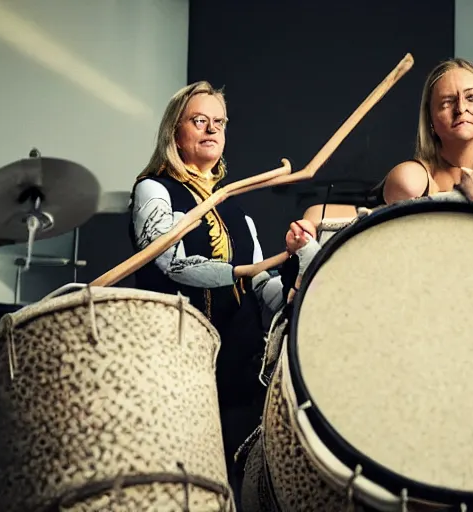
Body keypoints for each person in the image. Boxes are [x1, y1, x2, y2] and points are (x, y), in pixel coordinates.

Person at [127, 80, 320, 501]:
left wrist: (294, 271)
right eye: (199, 121)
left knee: (236, 480)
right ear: (174, 132)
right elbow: (174, 264)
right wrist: (255, 266)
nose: (212, 129)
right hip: (176, 361)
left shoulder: (236, 209)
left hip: (236, 367)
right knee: (181, 481)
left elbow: (260, 290)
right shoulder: (154, 189)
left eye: (220, 122)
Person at [377, 57, 473, 214]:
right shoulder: (412, 179)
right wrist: (463, 198)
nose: (461, 108)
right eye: (447, 102)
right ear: (430, 119)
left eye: (471, 97)